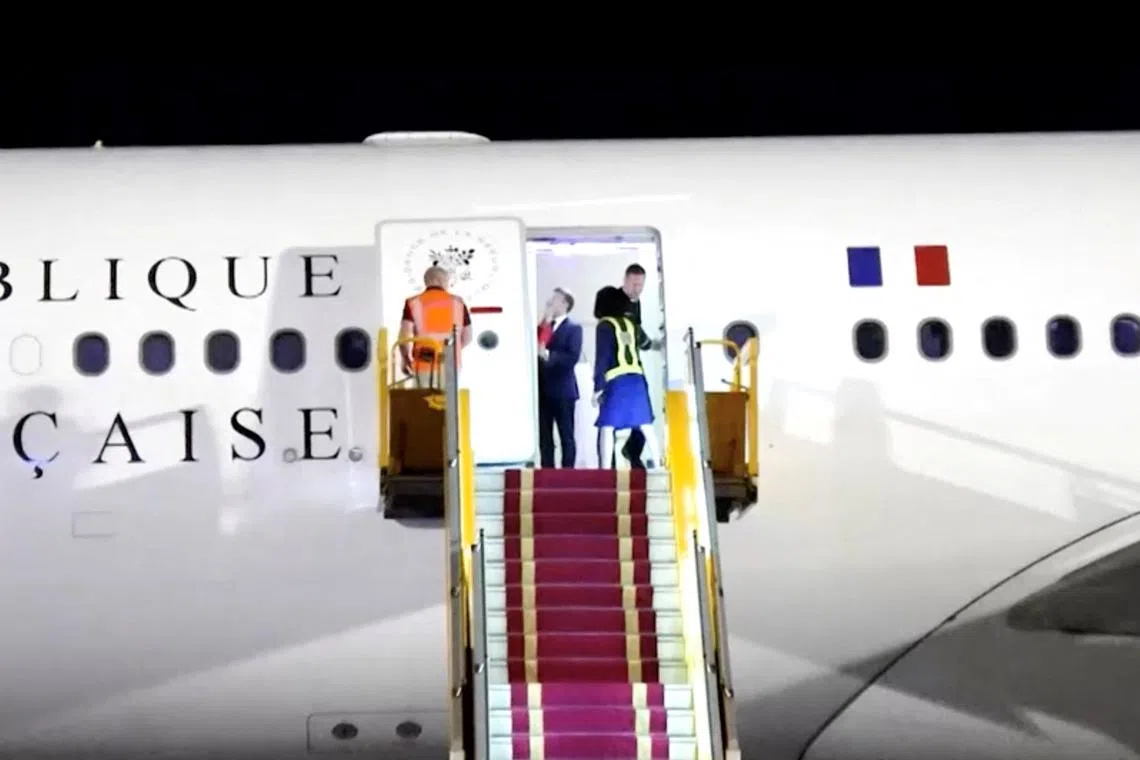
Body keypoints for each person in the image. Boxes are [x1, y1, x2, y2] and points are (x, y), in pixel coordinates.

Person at [592, 286, 662, 470]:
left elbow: (603, 357)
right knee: (645, 424)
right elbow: (644, 344)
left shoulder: (605, 325)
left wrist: (598, 387)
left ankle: (605, 469)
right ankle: (658, 464)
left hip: (616, 379)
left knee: (607, 425)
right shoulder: (631, 324)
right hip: (637, 378)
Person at [617, 263, 663, 467]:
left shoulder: (635, 303)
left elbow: (637, 330)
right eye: (634, 284)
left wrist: (650, 344)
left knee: (643, 413)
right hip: (619, 369)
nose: (637, 289)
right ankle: (624, 457)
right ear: (625, 281)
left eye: (641, 285)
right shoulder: (616, 304)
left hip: (634, 366)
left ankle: (633, 454)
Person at [399, 266, 472, 388]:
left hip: (424, 363)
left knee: (424, 405)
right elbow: (468, 336)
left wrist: (405, 360)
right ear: (441, 281)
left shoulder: (412, 302)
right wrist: (454, 350)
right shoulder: (458, 302)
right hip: (451, 364)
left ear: (427, 281)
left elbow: (404, 336)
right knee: (449, 405)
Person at [536, 288, 583, 468]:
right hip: (543, 390)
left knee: (566, 436)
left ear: (565, 304)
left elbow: (572, 357)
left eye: (554, 299)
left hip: (563, 390)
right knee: (545, 437)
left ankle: (568, 475)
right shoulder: (543, 326)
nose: (550, 302)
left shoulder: (574, 328)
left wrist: (548, 355)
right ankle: (547, 474)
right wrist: (543, 323)